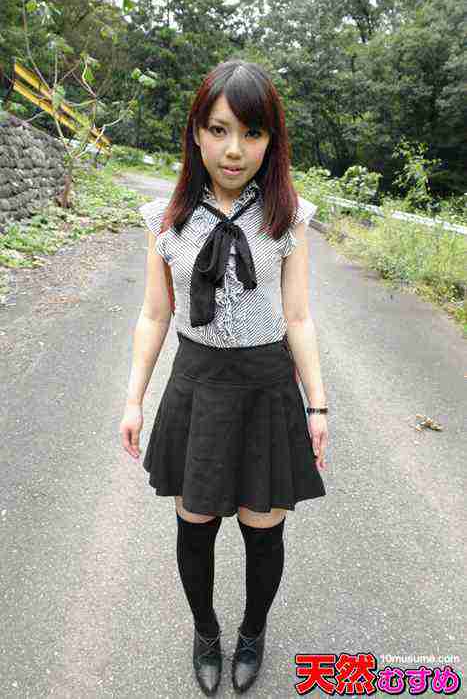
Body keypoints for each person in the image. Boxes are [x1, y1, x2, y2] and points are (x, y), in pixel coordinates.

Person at [119, 59, 328, 696]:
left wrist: (318, 405)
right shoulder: (165, 220)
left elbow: (298, 316)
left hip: (267, 388)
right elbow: (155, 314)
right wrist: (134, 400)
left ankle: (253, 631)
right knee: (196, 526)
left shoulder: (289, 218)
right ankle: (206, 631)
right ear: (197, 133)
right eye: (219, 130)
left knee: (264, 532)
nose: (234, 150)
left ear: (271, 140)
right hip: (198, 387)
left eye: (252, 133)